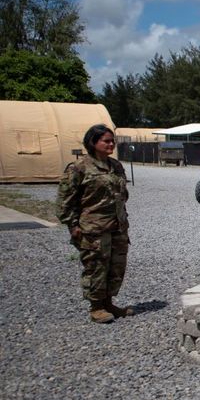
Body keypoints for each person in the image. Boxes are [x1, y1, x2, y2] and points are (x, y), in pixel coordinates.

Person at [57, 124, 133, 323]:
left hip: (117, 226)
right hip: (93, 229)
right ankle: (96, 307)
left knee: (116, 266)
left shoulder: (115, 166)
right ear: (93, 142)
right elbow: (65, 202)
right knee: (96, 266)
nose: (111, 144)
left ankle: (108, 302)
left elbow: (122, 194)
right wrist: (73, 226)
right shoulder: (79, 168)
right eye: (106, 141)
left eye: (112, 141)